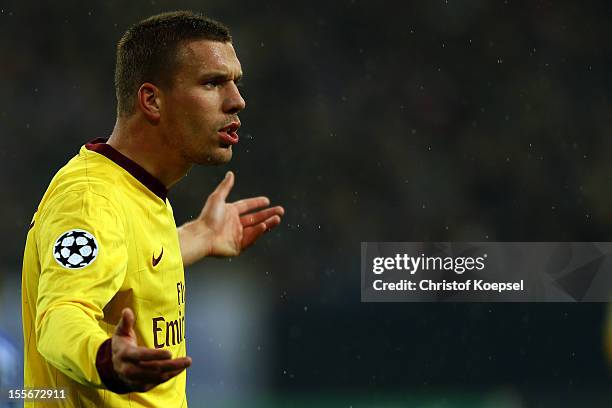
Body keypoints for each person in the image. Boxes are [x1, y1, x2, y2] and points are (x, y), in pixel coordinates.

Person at [21, 11, 284, 407]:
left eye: (235, 83)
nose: (237, 101)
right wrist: (105, 358)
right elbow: (60, 314)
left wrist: (199, 235)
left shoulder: (136, 188)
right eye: (213, 83)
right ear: (151, 100)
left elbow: (127, 261)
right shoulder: (91, 200)